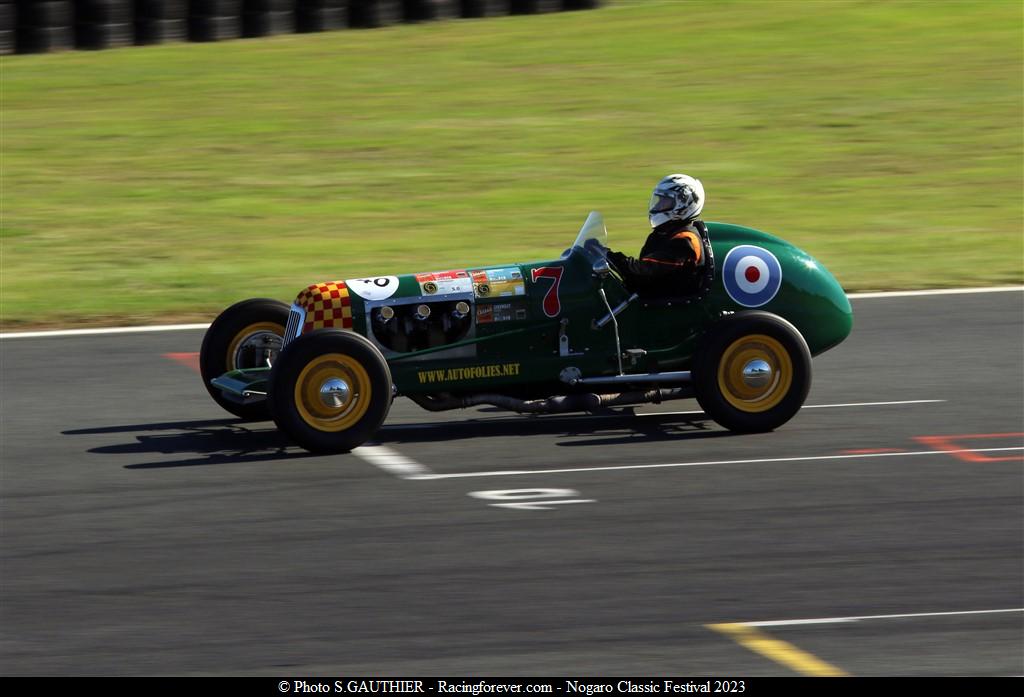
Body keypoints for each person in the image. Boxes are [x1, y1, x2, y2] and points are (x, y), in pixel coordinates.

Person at [607, 174, 708, 298]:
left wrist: (608, 256)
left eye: (665, 201)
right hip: (651, 297)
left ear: (682, 206)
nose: (658, 205)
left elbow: (642, 271)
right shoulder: (663, 233)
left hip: (667, 309)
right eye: (658, 200)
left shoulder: (685, 241)